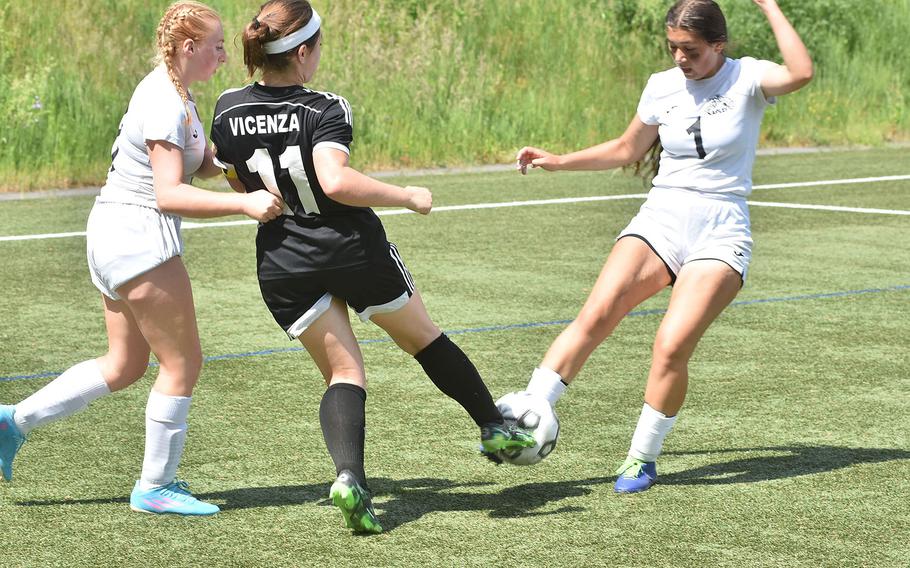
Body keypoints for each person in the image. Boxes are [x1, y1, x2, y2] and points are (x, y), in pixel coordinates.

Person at [208, 0, 534, 533]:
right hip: (350, 248)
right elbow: (334, 181)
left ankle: (349, 477)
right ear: (304, 51)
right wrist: (406, 194)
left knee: (344, 372)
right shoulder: (325, 107)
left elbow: (239, 182)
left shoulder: (226, 107)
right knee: (424, 338)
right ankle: (494, 427)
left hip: (283, 257)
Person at [516, 0, 812, 493]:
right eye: (672, 46)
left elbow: (801, 72)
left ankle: (642, 458)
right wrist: (560, 160)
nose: (679, 57)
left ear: (718, 45)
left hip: (721, 227)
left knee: (671, 345)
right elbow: (628, 148)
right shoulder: (661, 85)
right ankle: (524, 415)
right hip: (662, 216)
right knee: (597, 313)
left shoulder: (747, 77)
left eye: (690, 49)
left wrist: (770, 6)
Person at [0, 1, 284, 515]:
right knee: (184, 362)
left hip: (114, 235)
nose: (224, 55)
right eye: (217, 46)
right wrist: (244, 202)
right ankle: (156, 486)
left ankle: (13, 421)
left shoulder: (177, 91)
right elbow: (169, 194)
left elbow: (195, 163)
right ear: (189, 47)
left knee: (125, 364)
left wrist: (243, 154)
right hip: (137, 239)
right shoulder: (164, 100)